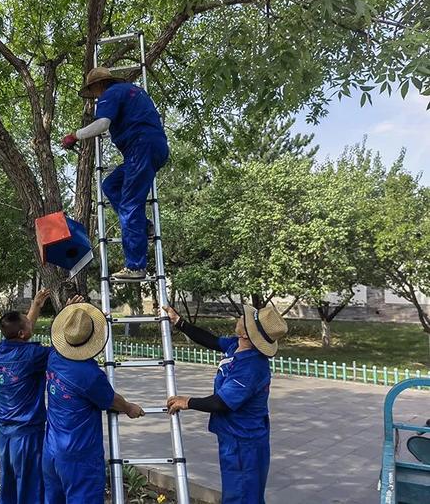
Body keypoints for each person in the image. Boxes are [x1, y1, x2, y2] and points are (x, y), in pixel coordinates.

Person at [162, 304, 289, 504]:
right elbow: (211, 340)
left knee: (242, 496)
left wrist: (188, 402)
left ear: (248, 334)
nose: (240, 318)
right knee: (238, 492)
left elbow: (222, 402)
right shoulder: (237, 345)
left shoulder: (252, 367)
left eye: (245, 319)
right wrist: (179, 322)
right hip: (233, 437)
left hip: (244, 443)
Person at [61, 67, 169, 281]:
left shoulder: (110, 94)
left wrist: (75, 135)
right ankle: (142, 224)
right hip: (150, 148)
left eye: (93, 92)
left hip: (141, 147)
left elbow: (102, 124)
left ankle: (135, 266)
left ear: (98, 86)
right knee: (110, 185)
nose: (95, 97)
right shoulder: (133, 91)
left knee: (130, 205)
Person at [43, 302, 145, 504]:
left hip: (52, 449)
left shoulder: (54, 357)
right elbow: (112, 400)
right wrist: (129, 408)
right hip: (79, 456)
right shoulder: (89, 375)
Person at [0, 288, 82, 504]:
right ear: (23, 333)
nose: (31, 322)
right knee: (29, 481)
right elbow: (61, 346)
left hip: (5, 427)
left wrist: (36, 306)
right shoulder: (32, 356)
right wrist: (67, 314)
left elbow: (22, 331)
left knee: (9, 478)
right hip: (26, 431)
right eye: (28, 321)